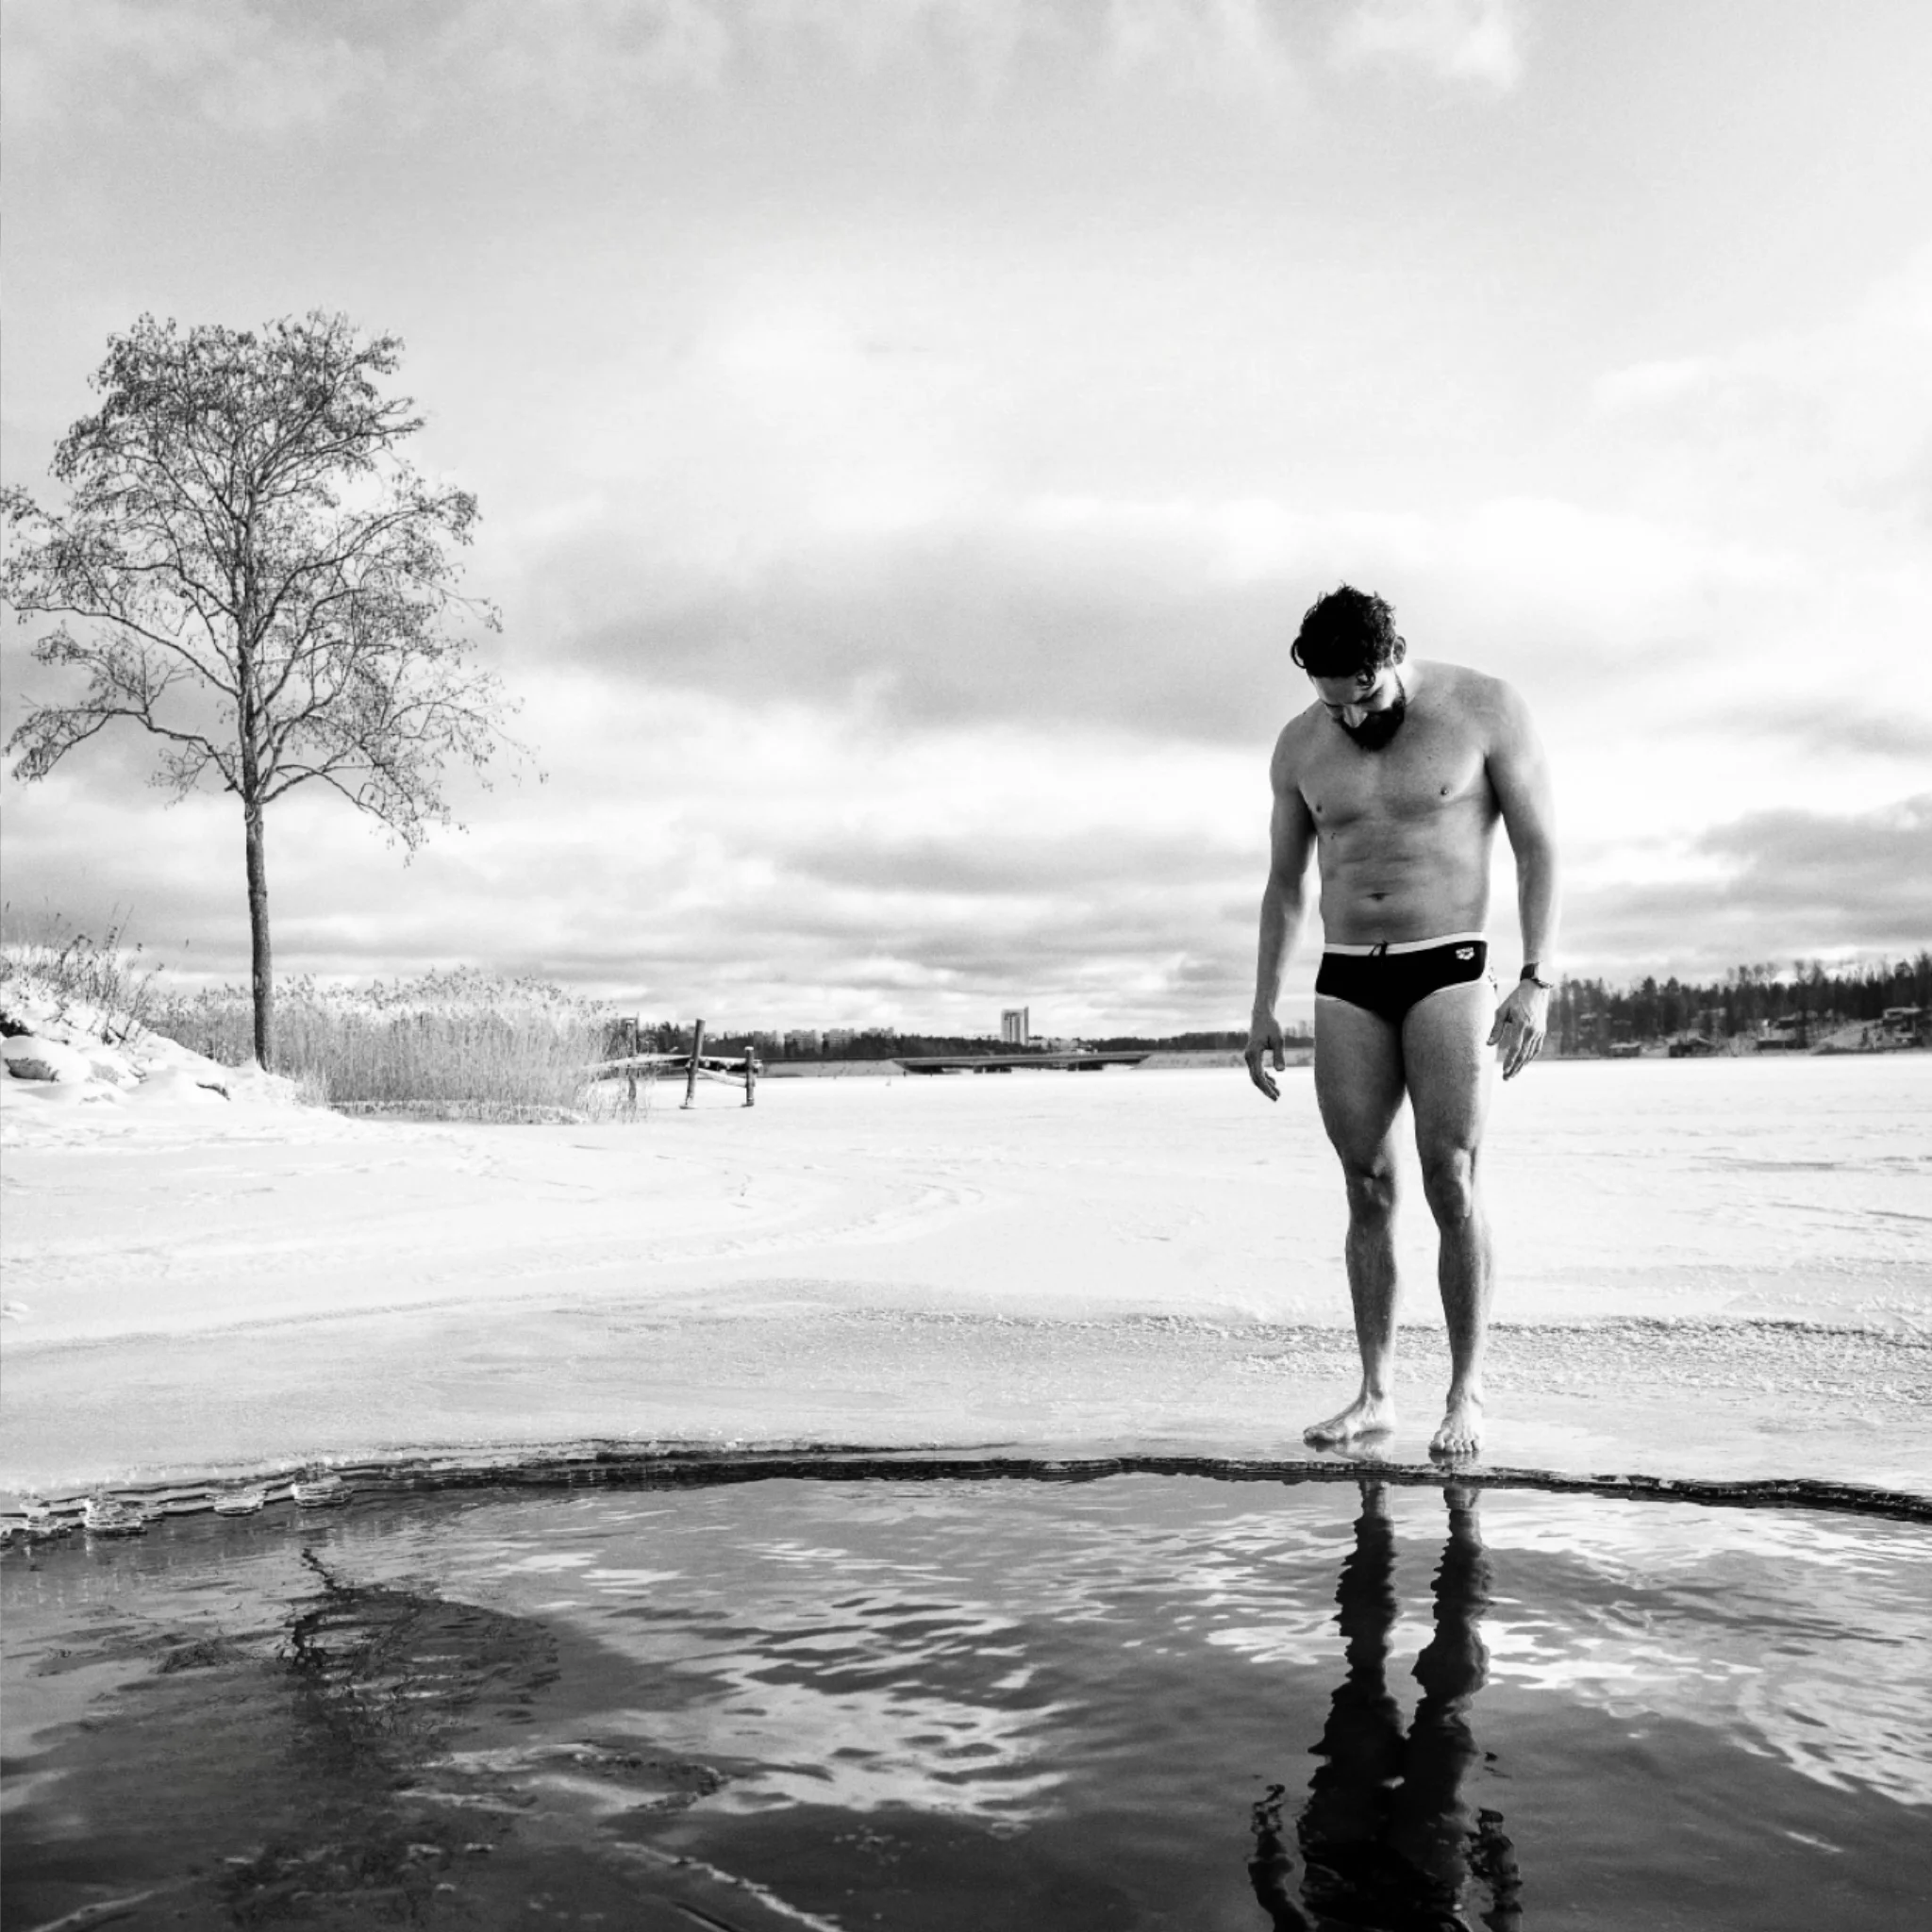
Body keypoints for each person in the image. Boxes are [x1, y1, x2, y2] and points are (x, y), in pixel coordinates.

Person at [1244, 585, 1558, 1458]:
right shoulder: (1299, 746)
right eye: (1333, 704)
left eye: (1366, 697)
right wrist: (1263, 1005)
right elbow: (1285, 884)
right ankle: (1375, 1395)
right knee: (1366, 1185)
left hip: (1447, 961)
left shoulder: (1485, 709)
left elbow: (1538, 846)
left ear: (1393, 656)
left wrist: (1536, 977)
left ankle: (1466, 1393)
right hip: (1347, 973)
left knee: (1450, 1179)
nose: (1351, 718)